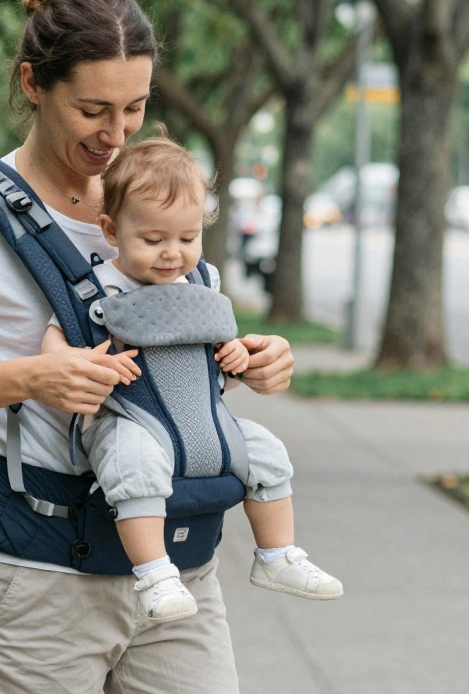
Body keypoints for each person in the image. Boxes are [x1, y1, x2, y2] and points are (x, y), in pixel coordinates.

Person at [0, 0, 296, 694]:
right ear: (34, 84)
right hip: (36, 582)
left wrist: (255, 359)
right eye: (94, 109)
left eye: (134, 108)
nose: (116, 134)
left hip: (176, 571)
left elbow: (184, 362)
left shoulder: (153, 197)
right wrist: (33, 376)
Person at [40, 132, 343, 624]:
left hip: (201, 417)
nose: (172, 254)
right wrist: (80, 365)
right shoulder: (96, 289)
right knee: (134, 467)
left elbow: (215, 350)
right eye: (153, 239)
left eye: (187, 238)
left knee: (266, 451)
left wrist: (236, 355)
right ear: (111, 230)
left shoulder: (202, 282)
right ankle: (156, 573)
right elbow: (53, 348)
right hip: (127, 417)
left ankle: (277, 554)